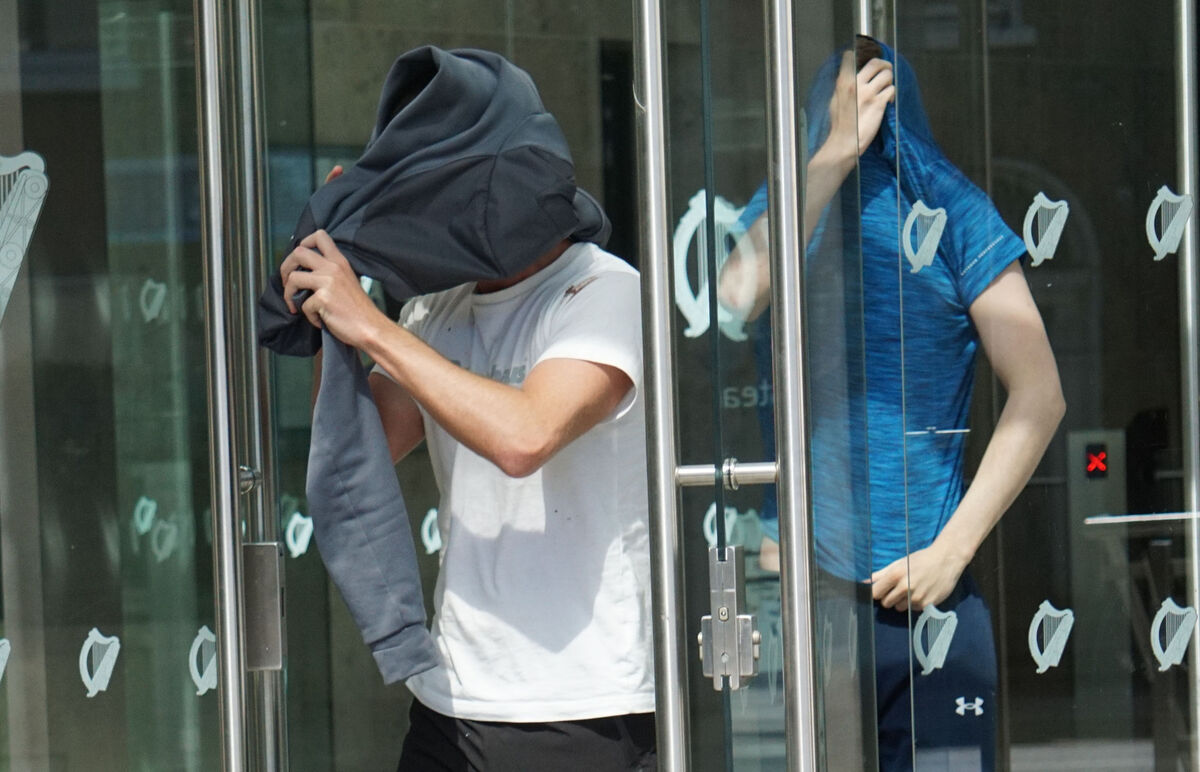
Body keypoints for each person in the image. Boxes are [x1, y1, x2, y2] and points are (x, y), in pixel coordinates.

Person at [269, 48, 655, 771]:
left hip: (579, 706)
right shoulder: (434, 313)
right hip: (452, 701)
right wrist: (335, 319)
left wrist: (375, 326)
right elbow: (369, 444)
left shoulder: (606, 292)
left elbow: (526, 435)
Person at [719, 37, 1065, 769]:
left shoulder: (949, 205)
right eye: (845, 101)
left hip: (926, 590)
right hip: (804, 593)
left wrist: (953, 549)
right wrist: (830, 158)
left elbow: (1040, 394)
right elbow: (735, 294)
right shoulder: (791, 200)